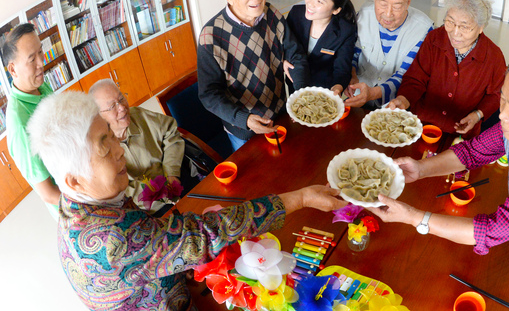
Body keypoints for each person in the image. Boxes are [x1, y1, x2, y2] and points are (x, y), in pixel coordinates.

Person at [26, 91, 347, 311]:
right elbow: (202, 234)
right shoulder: (112, 240)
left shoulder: (77, 203)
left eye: (111, 135)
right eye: (104, 147)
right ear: (74, 180)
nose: (119, 149)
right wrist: (300, 197)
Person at [370, 50, 509, 299]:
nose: (502, 115)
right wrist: (421, 168)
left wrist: (413, 217)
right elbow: (471, 152)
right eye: (503, 100)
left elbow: (491, 229)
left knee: (475, 288)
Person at [197, 0, 309, 151]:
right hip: (244, 130)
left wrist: (300, 95)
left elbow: (296, 56)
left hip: (282, 115)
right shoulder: (211, 35)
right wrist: (245, 120)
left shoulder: (272, 14)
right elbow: (209, 94)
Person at [391, 0, 506, 138]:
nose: (455, 33)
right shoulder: (434, 39)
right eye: (450, 22)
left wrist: (477, 115)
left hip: (459, 134)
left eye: (464, 27)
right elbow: (416, 77)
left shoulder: (494, 56)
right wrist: (404, 99)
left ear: (480, 27)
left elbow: (496, 95)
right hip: (421, 125)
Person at [89, 79, 185, 214]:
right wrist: (158, 192)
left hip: (178, 185)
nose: (122, 107)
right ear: (99, 116)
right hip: (147, 213)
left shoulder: (139, 115)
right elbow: (116, 189)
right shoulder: (99, 150)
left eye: (121, 99)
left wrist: (172, 172)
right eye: (112, 107)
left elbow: (171, 133)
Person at [344, 0, 433, 109]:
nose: (388, 13)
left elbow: (406, 74)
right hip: (358, 97)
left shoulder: (423, 29)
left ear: (408, 2)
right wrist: (352, 74)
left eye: (397, 6)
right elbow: (353, 52)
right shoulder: (362, 15)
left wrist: (372, 93)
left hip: (394, 105)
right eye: (383, 3)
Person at [1, 23, 60, 218]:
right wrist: (91, 201)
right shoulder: (19, 122)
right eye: (32, 59)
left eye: (41, 53)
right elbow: (49, 194)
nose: (41, 63)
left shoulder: (41, 87)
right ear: (13, 69)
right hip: (76, 210)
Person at [285, 0, 357, 94]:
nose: (310, 3)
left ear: (336, 10)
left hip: (323, 91)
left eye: (319, 1)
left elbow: (342, 69)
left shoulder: (345, 30)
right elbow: (285, 45)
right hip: (295, 84)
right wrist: (283, 59)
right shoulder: (296, 14)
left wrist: (337, 88)